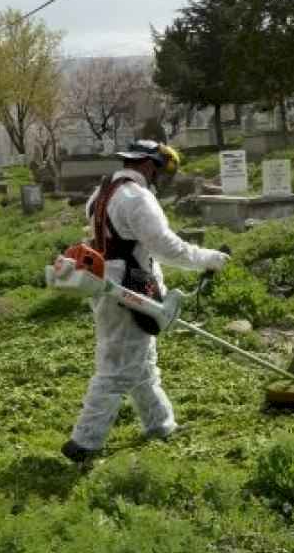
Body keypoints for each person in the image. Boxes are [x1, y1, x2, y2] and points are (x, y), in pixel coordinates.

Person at [62, 140, 229, 463]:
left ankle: (161, 424)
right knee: (115, 369)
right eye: (163, 172)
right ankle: (84, 442)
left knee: (140, 361)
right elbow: (166, 247)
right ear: (150, 165)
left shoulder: (103, 191)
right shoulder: (136, 197)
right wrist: (208, 258)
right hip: (129, 286)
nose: (162, 180)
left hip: (109, 280)